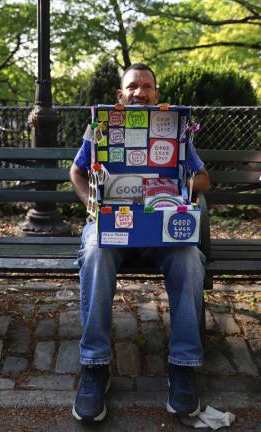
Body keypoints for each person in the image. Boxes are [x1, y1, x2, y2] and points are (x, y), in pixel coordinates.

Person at [70, 63, 210, 423]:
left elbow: (203, 178)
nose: (140, 91)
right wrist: (90, 202)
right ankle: (95, 366)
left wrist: (175, 190)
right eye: (133, 86)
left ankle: (183, 365)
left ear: (156, 94)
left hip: (160, 223)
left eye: (147, 86)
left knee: (190, 257)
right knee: (96, 252)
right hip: (112, 222)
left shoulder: (176, 130)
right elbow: (77, 170)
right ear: (120, 94)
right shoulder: (99, 127)